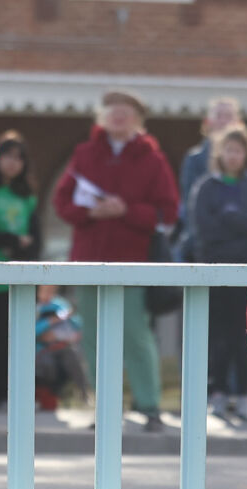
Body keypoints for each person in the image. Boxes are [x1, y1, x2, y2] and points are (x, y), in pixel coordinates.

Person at [51, 90, 180, 432]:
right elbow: (62, 202)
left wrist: (128, 211)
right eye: (112, 112)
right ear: (102, 117)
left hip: (134, 262)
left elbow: (168, 211)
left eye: (126, 112)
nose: (118, 118)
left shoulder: (153, 160)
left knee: (136, 335)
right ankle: (104, 407)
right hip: (90, 259)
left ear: (138, 119)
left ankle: (149, 406)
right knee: (93, 336)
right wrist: (90, 211)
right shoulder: (85, 153)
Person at [188, 126, 247, 424]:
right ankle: (218, 392)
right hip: (214, 268)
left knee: (243, 334)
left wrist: (229, 219)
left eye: (239, 150)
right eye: (228, 150)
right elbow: (204, 229)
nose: (233, 156)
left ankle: (243, 396)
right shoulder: (206, 188)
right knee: (217, 333)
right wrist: (235, 221)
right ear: (219, 153)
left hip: (245, 269)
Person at [0, 131, 40, 410]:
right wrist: (15, 240)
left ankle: (19, 395)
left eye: (19, 158)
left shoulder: (28, 198)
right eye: (7, 155)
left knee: (20, 340)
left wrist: (20, 246)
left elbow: (36, 239)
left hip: (20, 280)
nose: (12, 163)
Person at [174, 96, 247, 262]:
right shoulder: (194, 159)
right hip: (203, 247)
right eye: (219, 115)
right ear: (208, 121)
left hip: (246, 251)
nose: (223, 120)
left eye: (228, 115)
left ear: (239, 122)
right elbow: (190, 205)